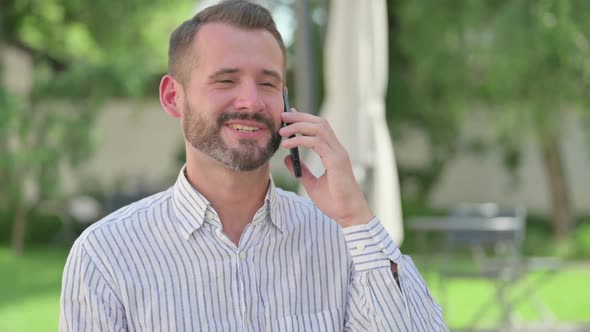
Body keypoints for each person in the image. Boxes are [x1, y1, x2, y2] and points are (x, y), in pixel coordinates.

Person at [60, 0, 447, 331]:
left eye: (267, 83)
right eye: (226, 80)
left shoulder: (342, 241)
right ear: (173, 97)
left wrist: (357, 216)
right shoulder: (106, 256)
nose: (250, 101)